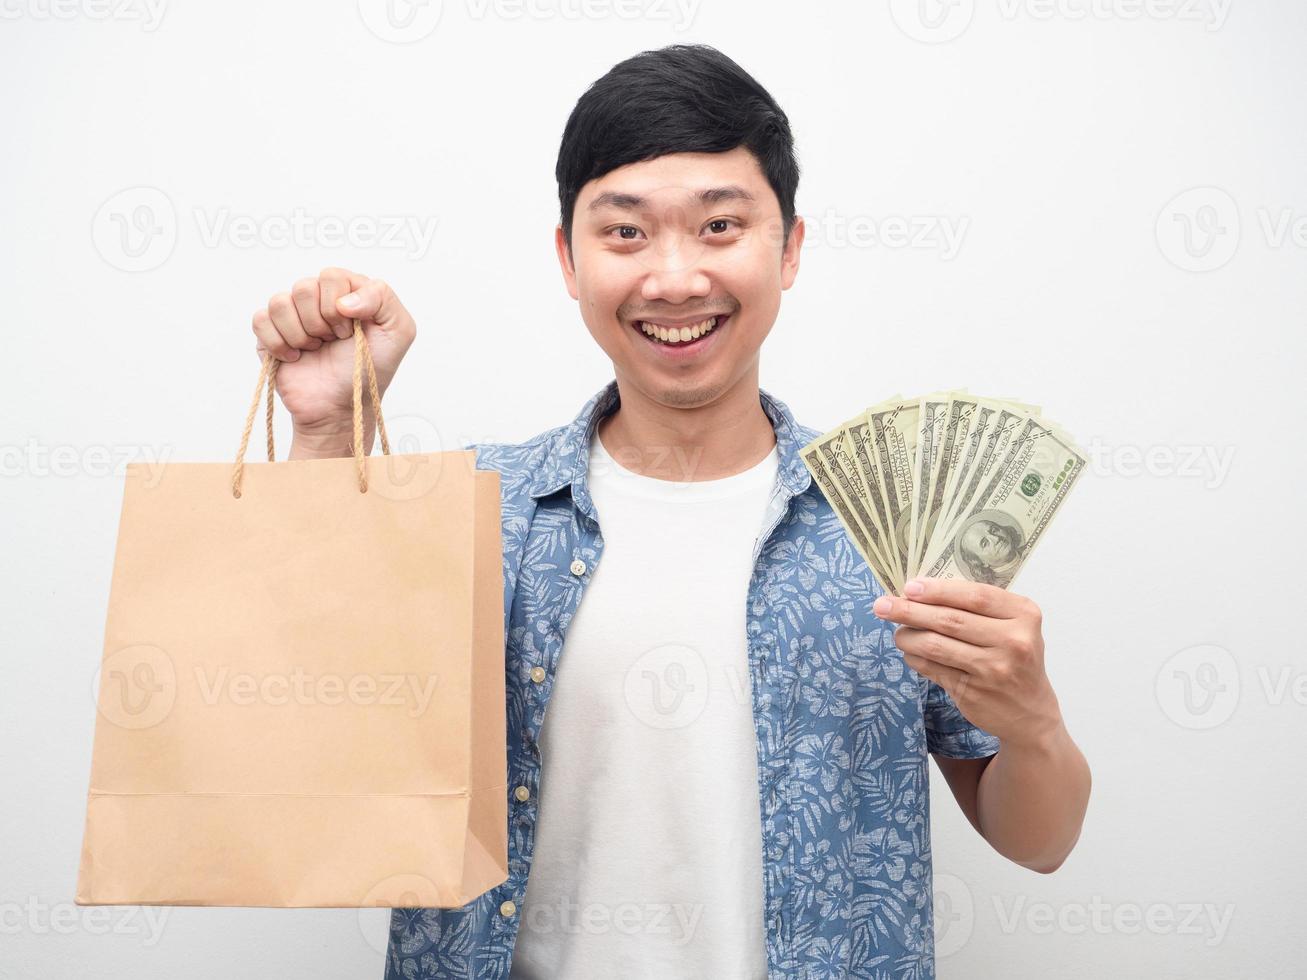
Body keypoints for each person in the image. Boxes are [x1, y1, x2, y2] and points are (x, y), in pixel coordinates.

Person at [249, 43, 1091, 980]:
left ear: (791, 248)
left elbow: (1036, 841)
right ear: (568, 259)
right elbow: (300, 737)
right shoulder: (472, 512)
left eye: (720, 226)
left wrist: (1033, 727)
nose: (676, 278)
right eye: (626, 234)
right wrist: (326, 432)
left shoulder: (892, 533)